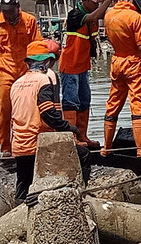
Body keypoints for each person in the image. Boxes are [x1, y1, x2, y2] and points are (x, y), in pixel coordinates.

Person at [10, 40, 90, 202]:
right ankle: (77, 197)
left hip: (19, 146)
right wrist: (69, 128)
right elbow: (48, 113)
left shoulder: (16, 84)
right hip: (38, 143)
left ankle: (19, 206)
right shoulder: (43, 80)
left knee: (23, 183)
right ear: (46, 62)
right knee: (84, 154)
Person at [102, 0, 141, 157]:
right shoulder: (135, 17)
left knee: (113, 103)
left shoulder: (108, 15)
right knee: (138, 103)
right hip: (133, 63)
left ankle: (107, 146)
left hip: (117, 62)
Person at [0, 0, 42, 156]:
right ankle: (5, 148)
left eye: (10, 11)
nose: (8, 14)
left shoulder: (29, 21)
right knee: (4, 111)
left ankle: (29, 146)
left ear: (18, 8)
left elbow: (37, 47)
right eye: (5, 11)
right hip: (5, 72)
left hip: (27, 72)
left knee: (31, 110)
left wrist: (41, 71)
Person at [59, 0, 111, 148]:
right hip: (70, 66)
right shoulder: (75, 15)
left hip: (83, 66)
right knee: (70, 101)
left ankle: (83, 135)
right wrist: (108, 1)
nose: (97, 5)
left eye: (99, 2)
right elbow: (92, 16)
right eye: (95, 2)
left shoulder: (94, 15)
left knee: (84, 101)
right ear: (84, 1)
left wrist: (106, 2)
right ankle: (71, 136)